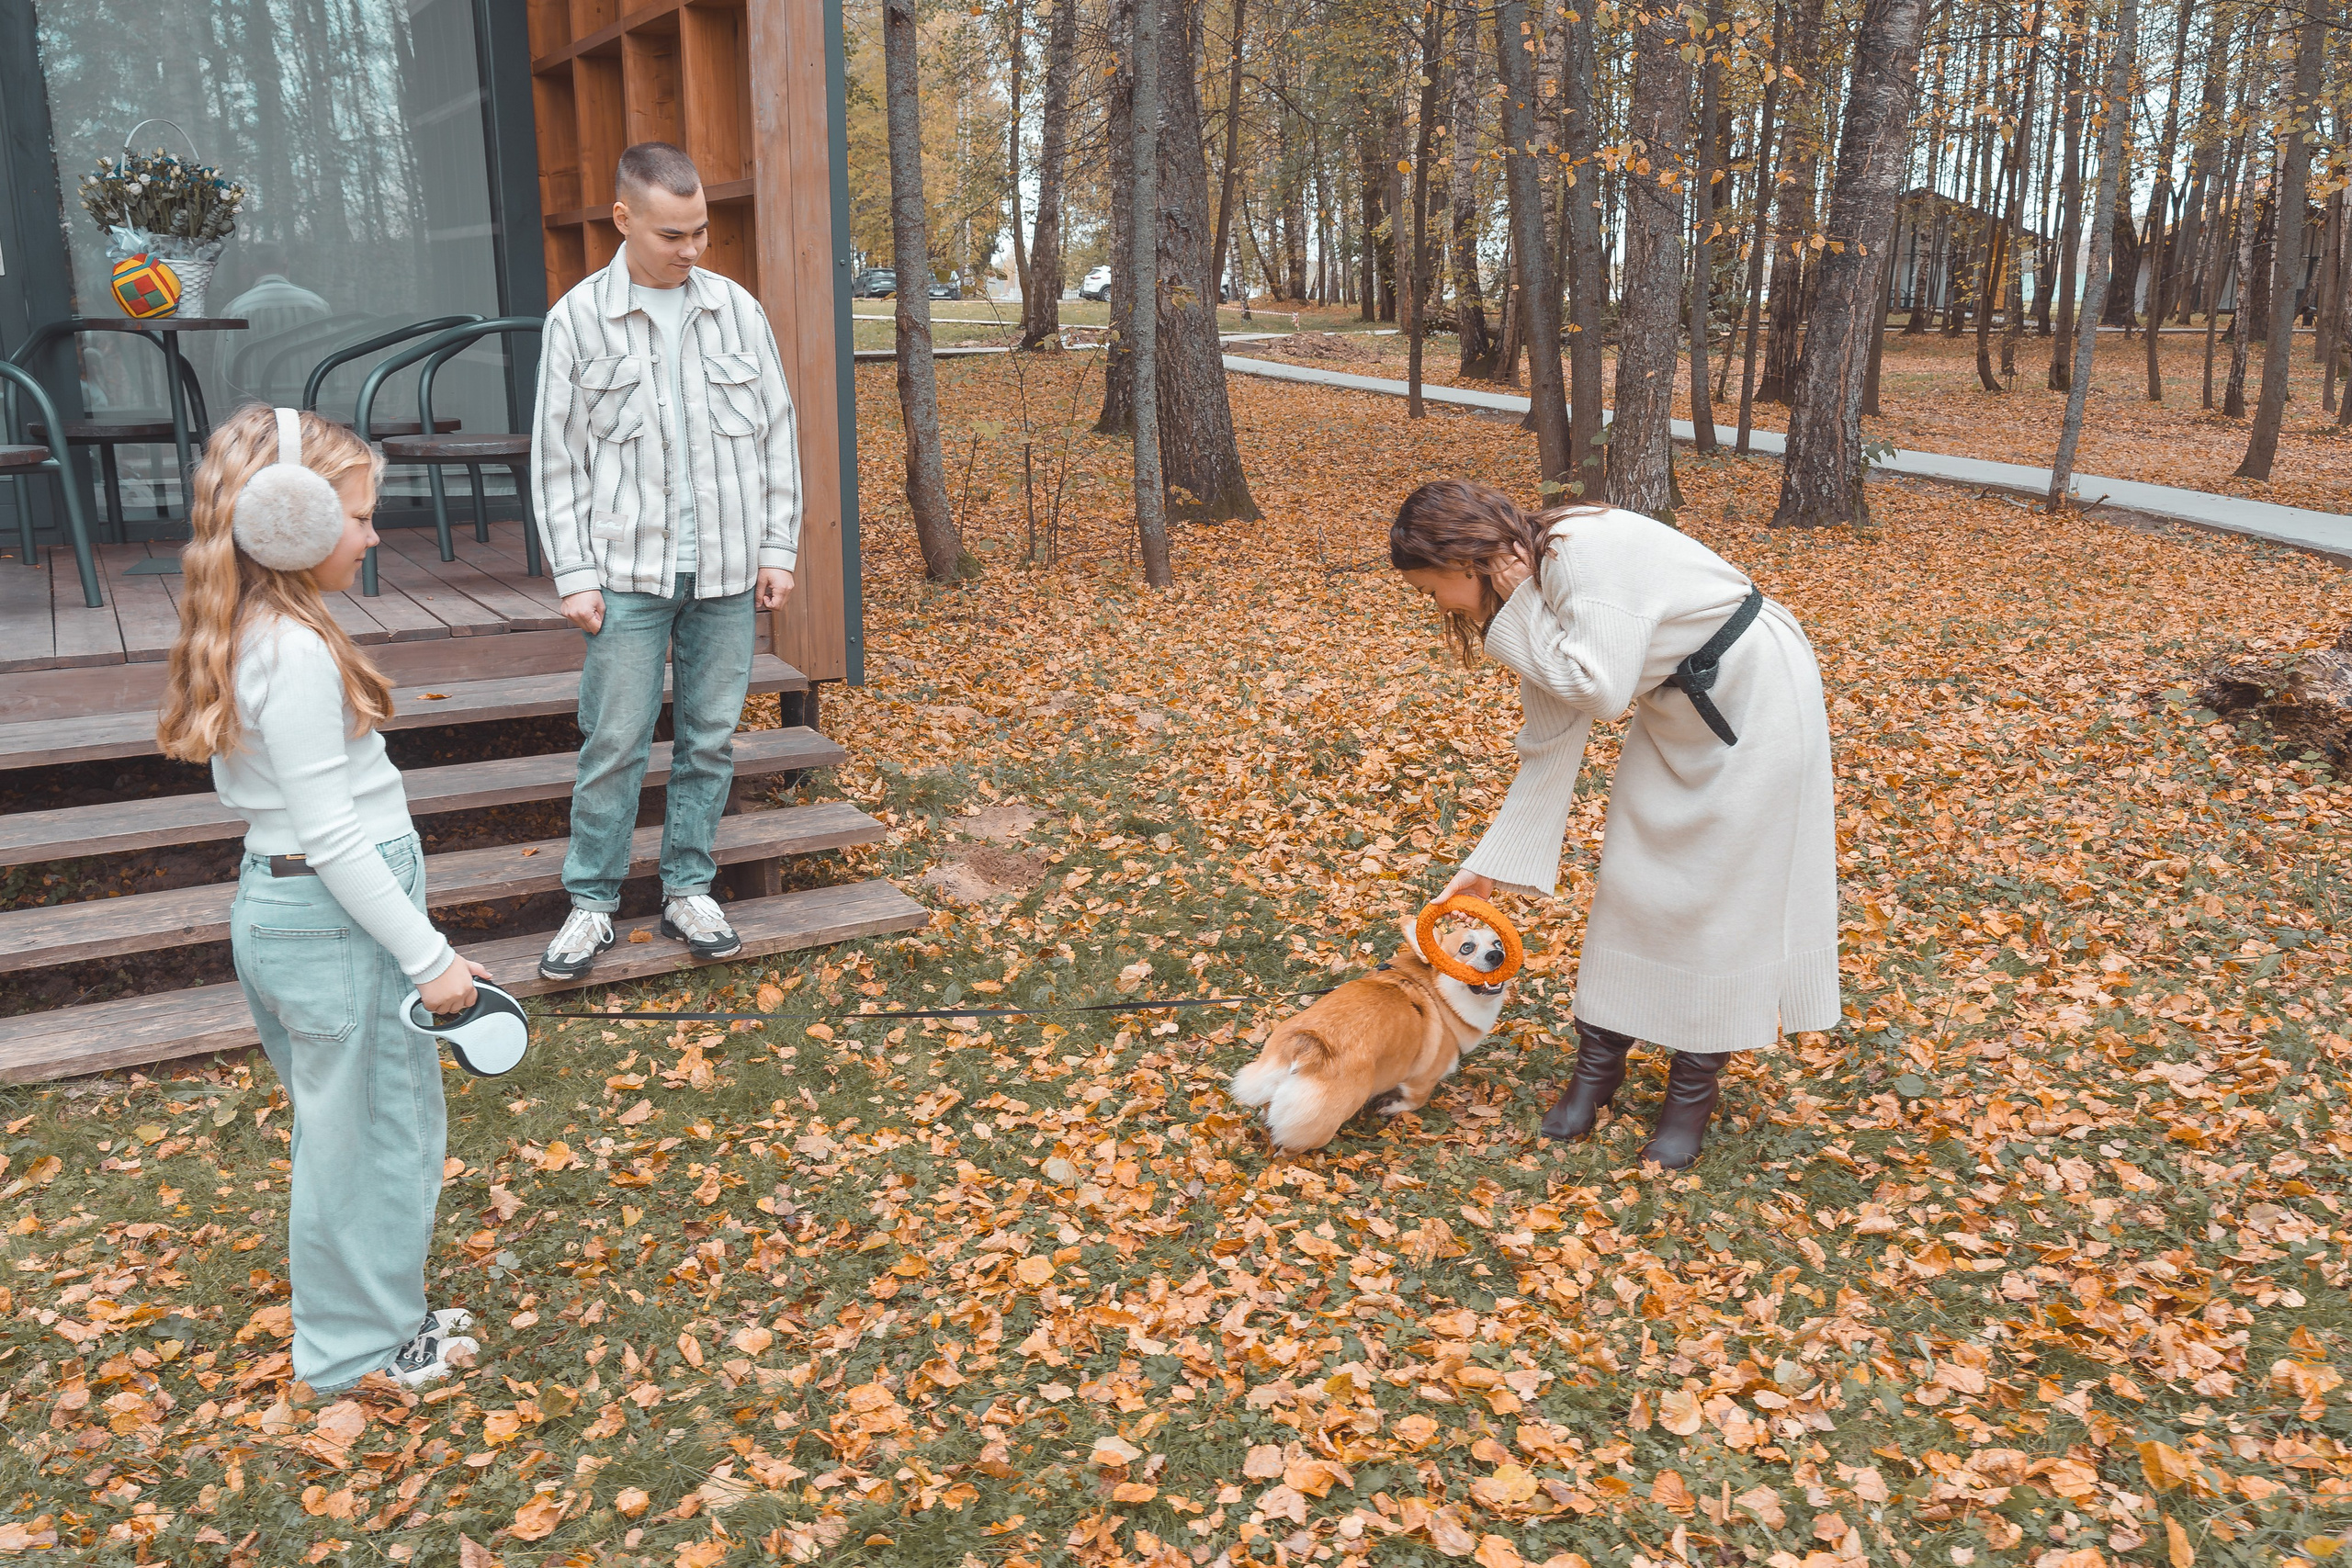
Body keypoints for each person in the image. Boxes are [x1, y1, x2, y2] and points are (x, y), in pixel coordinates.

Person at [157, 404, 493, 1390]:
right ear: (289, 521)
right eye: (358, 516)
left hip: (301, 913)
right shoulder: (295, 649)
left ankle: (382, 1312)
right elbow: (333, 834)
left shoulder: (257, 629)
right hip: (331, 918)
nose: (373, 535)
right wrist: (427, 957)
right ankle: (356, 1353)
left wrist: (421, 945)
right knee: (367, 1138)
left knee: (355, 1125)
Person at [1396, 479, 1839, 1169]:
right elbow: (1549, 741)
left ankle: (1691, 1093)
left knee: (1719, 900)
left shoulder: (1578, 554)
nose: (1437, 606)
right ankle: (1597, 1070)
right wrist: (1485, 868)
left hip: (1759, 695)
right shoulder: (1532, 593)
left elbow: (1599, 693)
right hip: (1679, 705)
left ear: (1460, 561)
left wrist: (1524, 605)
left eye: (1431, 590)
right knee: (1633, 879)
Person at [531, 140, 801, 980]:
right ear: (624, 219)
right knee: (614, 741)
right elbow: (556, 460)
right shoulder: (577, 319)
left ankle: (689, 888)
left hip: (728, 572)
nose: (692, 249)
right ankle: (591, 902)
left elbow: (778, 438)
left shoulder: (738, 312)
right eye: (673, 234)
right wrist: (575, 574)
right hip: (625, 578)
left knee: (710, 740)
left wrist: (778, 548)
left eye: (700, 231)